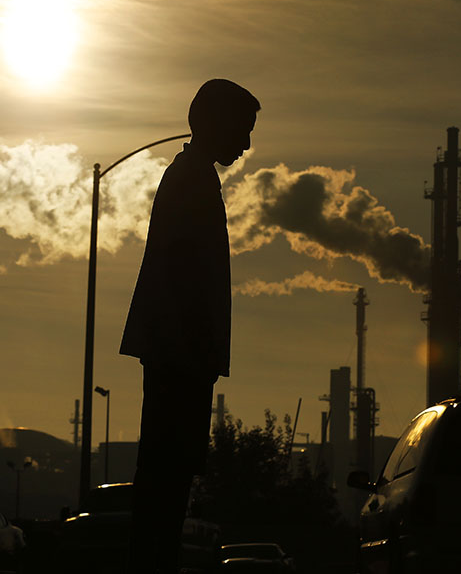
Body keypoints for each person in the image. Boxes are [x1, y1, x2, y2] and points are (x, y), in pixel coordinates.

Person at [120, 78, 259, 574]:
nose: (245, 144)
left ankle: (155, 560)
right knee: (168, 473)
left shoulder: (193, 177)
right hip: (179, 354)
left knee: (169, 472)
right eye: (242, 130)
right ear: (214, 123)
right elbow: (183, 276)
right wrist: (194, 352)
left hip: (180, 352)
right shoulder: (191, 180)